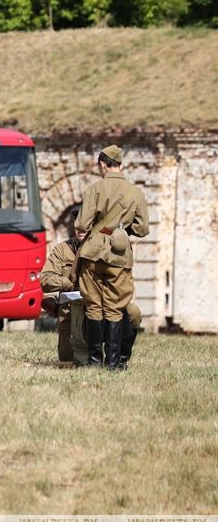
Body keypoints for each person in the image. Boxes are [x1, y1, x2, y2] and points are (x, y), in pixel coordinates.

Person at [74, 145, 148, 370]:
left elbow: (82, 224)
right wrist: (122, 231)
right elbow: (143, 229)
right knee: (115, 308)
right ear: (121, 165)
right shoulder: (135, 193)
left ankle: (94, 362)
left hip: (93, 254)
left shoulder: (94, 189)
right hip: (119, 254)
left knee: (94, 306)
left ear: (102, 164)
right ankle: (113, 364)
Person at [40, 230, 141, 367]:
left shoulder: (110, 249)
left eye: (87, 225)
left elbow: (123, 281)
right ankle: (94, 360)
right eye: (78, 224)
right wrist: (74, 282)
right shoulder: (63, 250)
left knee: (133, 312)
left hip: (105, 304)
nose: (81, 229)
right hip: (72, 314)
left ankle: (120, 360)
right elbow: (45, 280)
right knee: (71, 364)